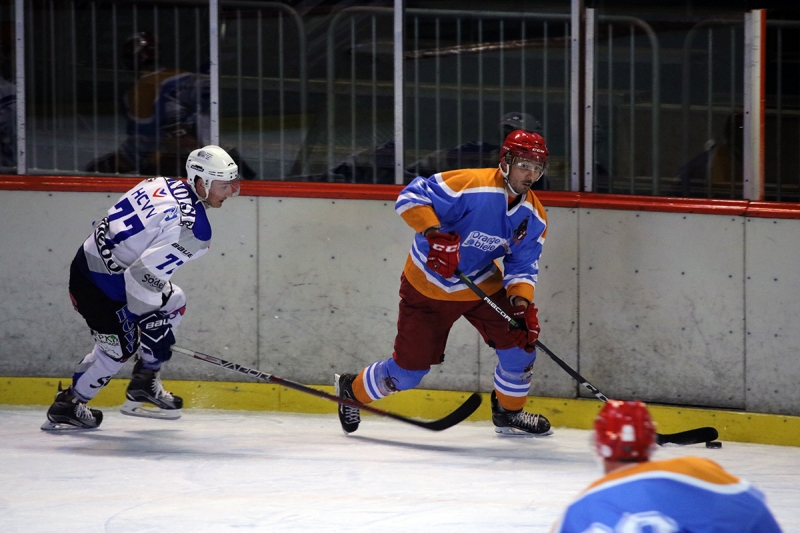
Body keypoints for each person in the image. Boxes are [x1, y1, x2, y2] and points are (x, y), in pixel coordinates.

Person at [335, 129, 553, 437]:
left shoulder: (534, 217)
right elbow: (411, 196)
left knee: (520, 347)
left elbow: (523, 265)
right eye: (524, 165)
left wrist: (520, 303)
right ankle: (351, 391)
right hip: (428, 284)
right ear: (505, 162)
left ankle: (509, 413)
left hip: (481, 284)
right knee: (408, 373)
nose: (530, 175)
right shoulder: (471, 184)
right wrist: (434, 234)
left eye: (537, 167)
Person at [42, 145, 241, 430]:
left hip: (94, 263)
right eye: (224, 185)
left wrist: (152, 322)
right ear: (201, 182)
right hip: (97, 288)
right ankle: (69, 404)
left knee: (173, 302)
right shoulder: (195, 231)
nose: (231, 192)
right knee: (117, 350)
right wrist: (148, 321)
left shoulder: (161, 183)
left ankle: (144, 381)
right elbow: (142, 275)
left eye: (233, 183)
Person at [552, 400, 784, 532]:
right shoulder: (701, 474)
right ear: (652, 445)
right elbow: (757, 515)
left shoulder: (581, 509)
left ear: (598, 447)